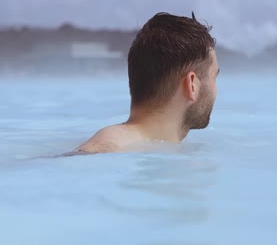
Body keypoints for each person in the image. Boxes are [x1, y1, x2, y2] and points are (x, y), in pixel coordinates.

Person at [66, 12, 219, 155]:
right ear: (192, 85)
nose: (216, 90)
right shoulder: (106, 148)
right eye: (214, 77)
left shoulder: (144, 147)